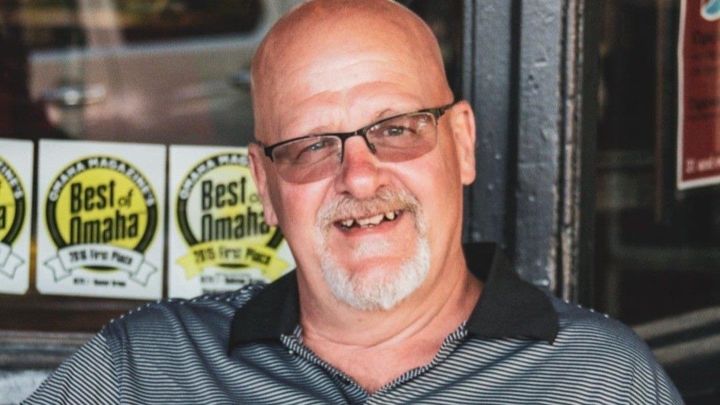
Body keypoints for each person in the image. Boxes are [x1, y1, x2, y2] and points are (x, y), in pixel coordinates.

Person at [26, 0, 682, 403]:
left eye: (395, 128)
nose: (359, 178)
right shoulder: (143, 370)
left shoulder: (601, 381)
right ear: (264, 185)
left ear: (461, 142)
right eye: (312, 145)